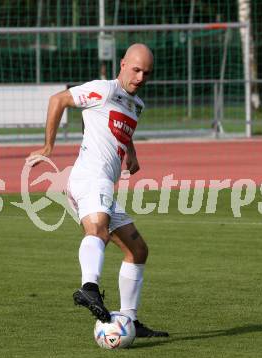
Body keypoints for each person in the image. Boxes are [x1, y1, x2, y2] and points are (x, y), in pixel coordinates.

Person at [27, 43, 168, 338]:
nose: (141, 77)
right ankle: (89, 288)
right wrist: (48, 146)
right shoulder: (103, 89)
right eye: (136, 69)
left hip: (104, 184)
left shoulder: (136, 104)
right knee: (98, 230)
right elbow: (59, 99)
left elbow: (120, 129)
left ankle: (129, 320)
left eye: (147, 73)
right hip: (90, 178)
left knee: (138, 250)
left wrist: (131, 152)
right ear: (123, 64)